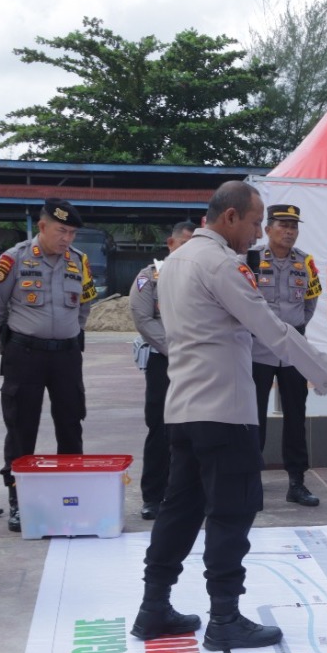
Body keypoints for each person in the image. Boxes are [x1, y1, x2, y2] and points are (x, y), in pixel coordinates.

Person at [132, 181, 327, 650]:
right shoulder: (221, 264)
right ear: (230, 218)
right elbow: (272, 330)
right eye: (257, 221)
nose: (260, 232)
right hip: (225, 412)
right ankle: (224, 618)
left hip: (183, 409)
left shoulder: (176, 262)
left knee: (179, 510)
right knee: (231, 512)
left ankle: (153, 606)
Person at [0, 198, 97, 532]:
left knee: (70, 424)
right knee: (21, 428)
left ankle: (70, 495)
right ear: (43, 226)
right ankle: (20, 502)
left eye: (72, 233)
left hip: (66, 356)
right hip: (25, 355)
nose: (66, 239)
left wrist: (68, 334)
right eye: (61, 230)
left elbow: (84, 308)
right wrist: (15, 342)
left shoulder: (79, 262)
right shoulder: (13, 260)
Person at [250, 204, 323, 507]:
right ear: (267, 229)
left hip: (293, 348)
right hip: (258, 348)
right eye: (283, 225)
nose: (290, 231)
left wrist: (294, 332)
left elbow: (310, 302)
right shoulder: (251, 259)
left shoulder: (305, 262)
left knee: (296, 416)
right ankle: (251, 481)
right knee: (254, 418)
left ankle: (297, 482)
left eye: (294, 226)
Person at [130, 220, 197, 520]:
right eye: (184, 244)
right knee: (160, 428)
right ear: (170, 244)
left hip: (199, 364)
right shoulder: (149, 277)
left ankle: (191, 493)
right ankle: (153, 496)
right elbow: (144, 319)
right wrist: (176, 350)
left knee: (196, 428)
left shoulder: (204, 277)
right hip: (165, 362)